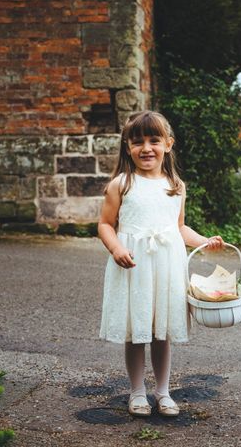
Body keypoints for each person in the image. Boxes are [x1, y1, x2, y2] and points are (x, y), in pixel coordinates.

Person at [98, 111, 224, 417]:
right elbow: (105, 224)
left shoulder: (175, 185)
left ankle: (163, 392)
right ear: (127, 146)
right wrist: (116, 248)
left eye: (154, 140)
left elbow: (178, 227)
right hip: (135, 265)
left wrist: (204, 240)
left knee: (161, 331)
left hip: (166, 266)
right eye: (138, 141)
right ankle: (137, 392)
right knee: (136, 330)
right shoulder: (122, 184)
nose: (146, 148)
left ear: (168, 144)